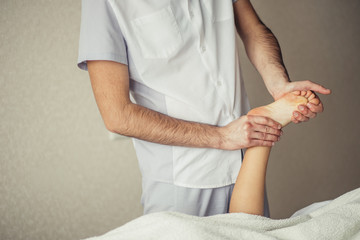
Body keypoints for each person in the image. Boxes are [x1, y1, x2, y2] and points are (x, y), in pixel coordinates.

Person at [77, 0, 331, 217]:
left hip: (245, 159)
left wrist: (279, 84)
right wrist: (222, 137)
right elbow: (117, 115)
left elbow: (253, 29)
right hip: (182, 183)